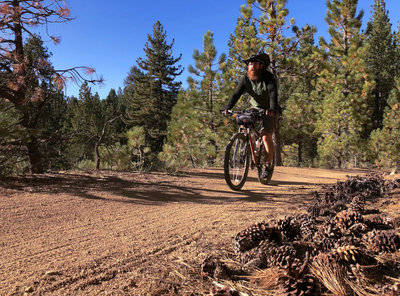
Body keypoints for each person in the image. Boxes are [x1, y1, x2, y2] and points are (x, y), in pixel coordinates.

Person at [222, 52, 278, 178]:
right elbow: (236, 94)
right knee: (244, 121)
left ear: (261, 66)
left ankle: (268, 166)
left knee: (266, 136)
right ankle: (247, 144)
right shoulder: (246, 78)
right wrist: (228, 108)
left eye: (254, 63)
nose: (251, 66)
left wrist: (272, 109)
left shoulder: (268, 77)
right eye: (249, 64)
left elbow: (273, 93)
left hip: (269, 108)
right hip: (255, 107)